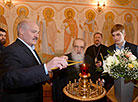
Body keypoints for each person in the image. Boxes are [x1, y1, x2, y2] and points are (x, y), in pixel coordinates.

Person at [0, 19, 68, 102]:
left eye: (38, 32)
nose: (37, 36)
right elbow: (10, 78)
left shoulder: (30, 49)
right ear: (21, 31)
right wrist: (46, 68)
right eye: (34, 32)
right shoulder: (11, 50)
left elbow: (32, 69)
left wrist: (49, 76)